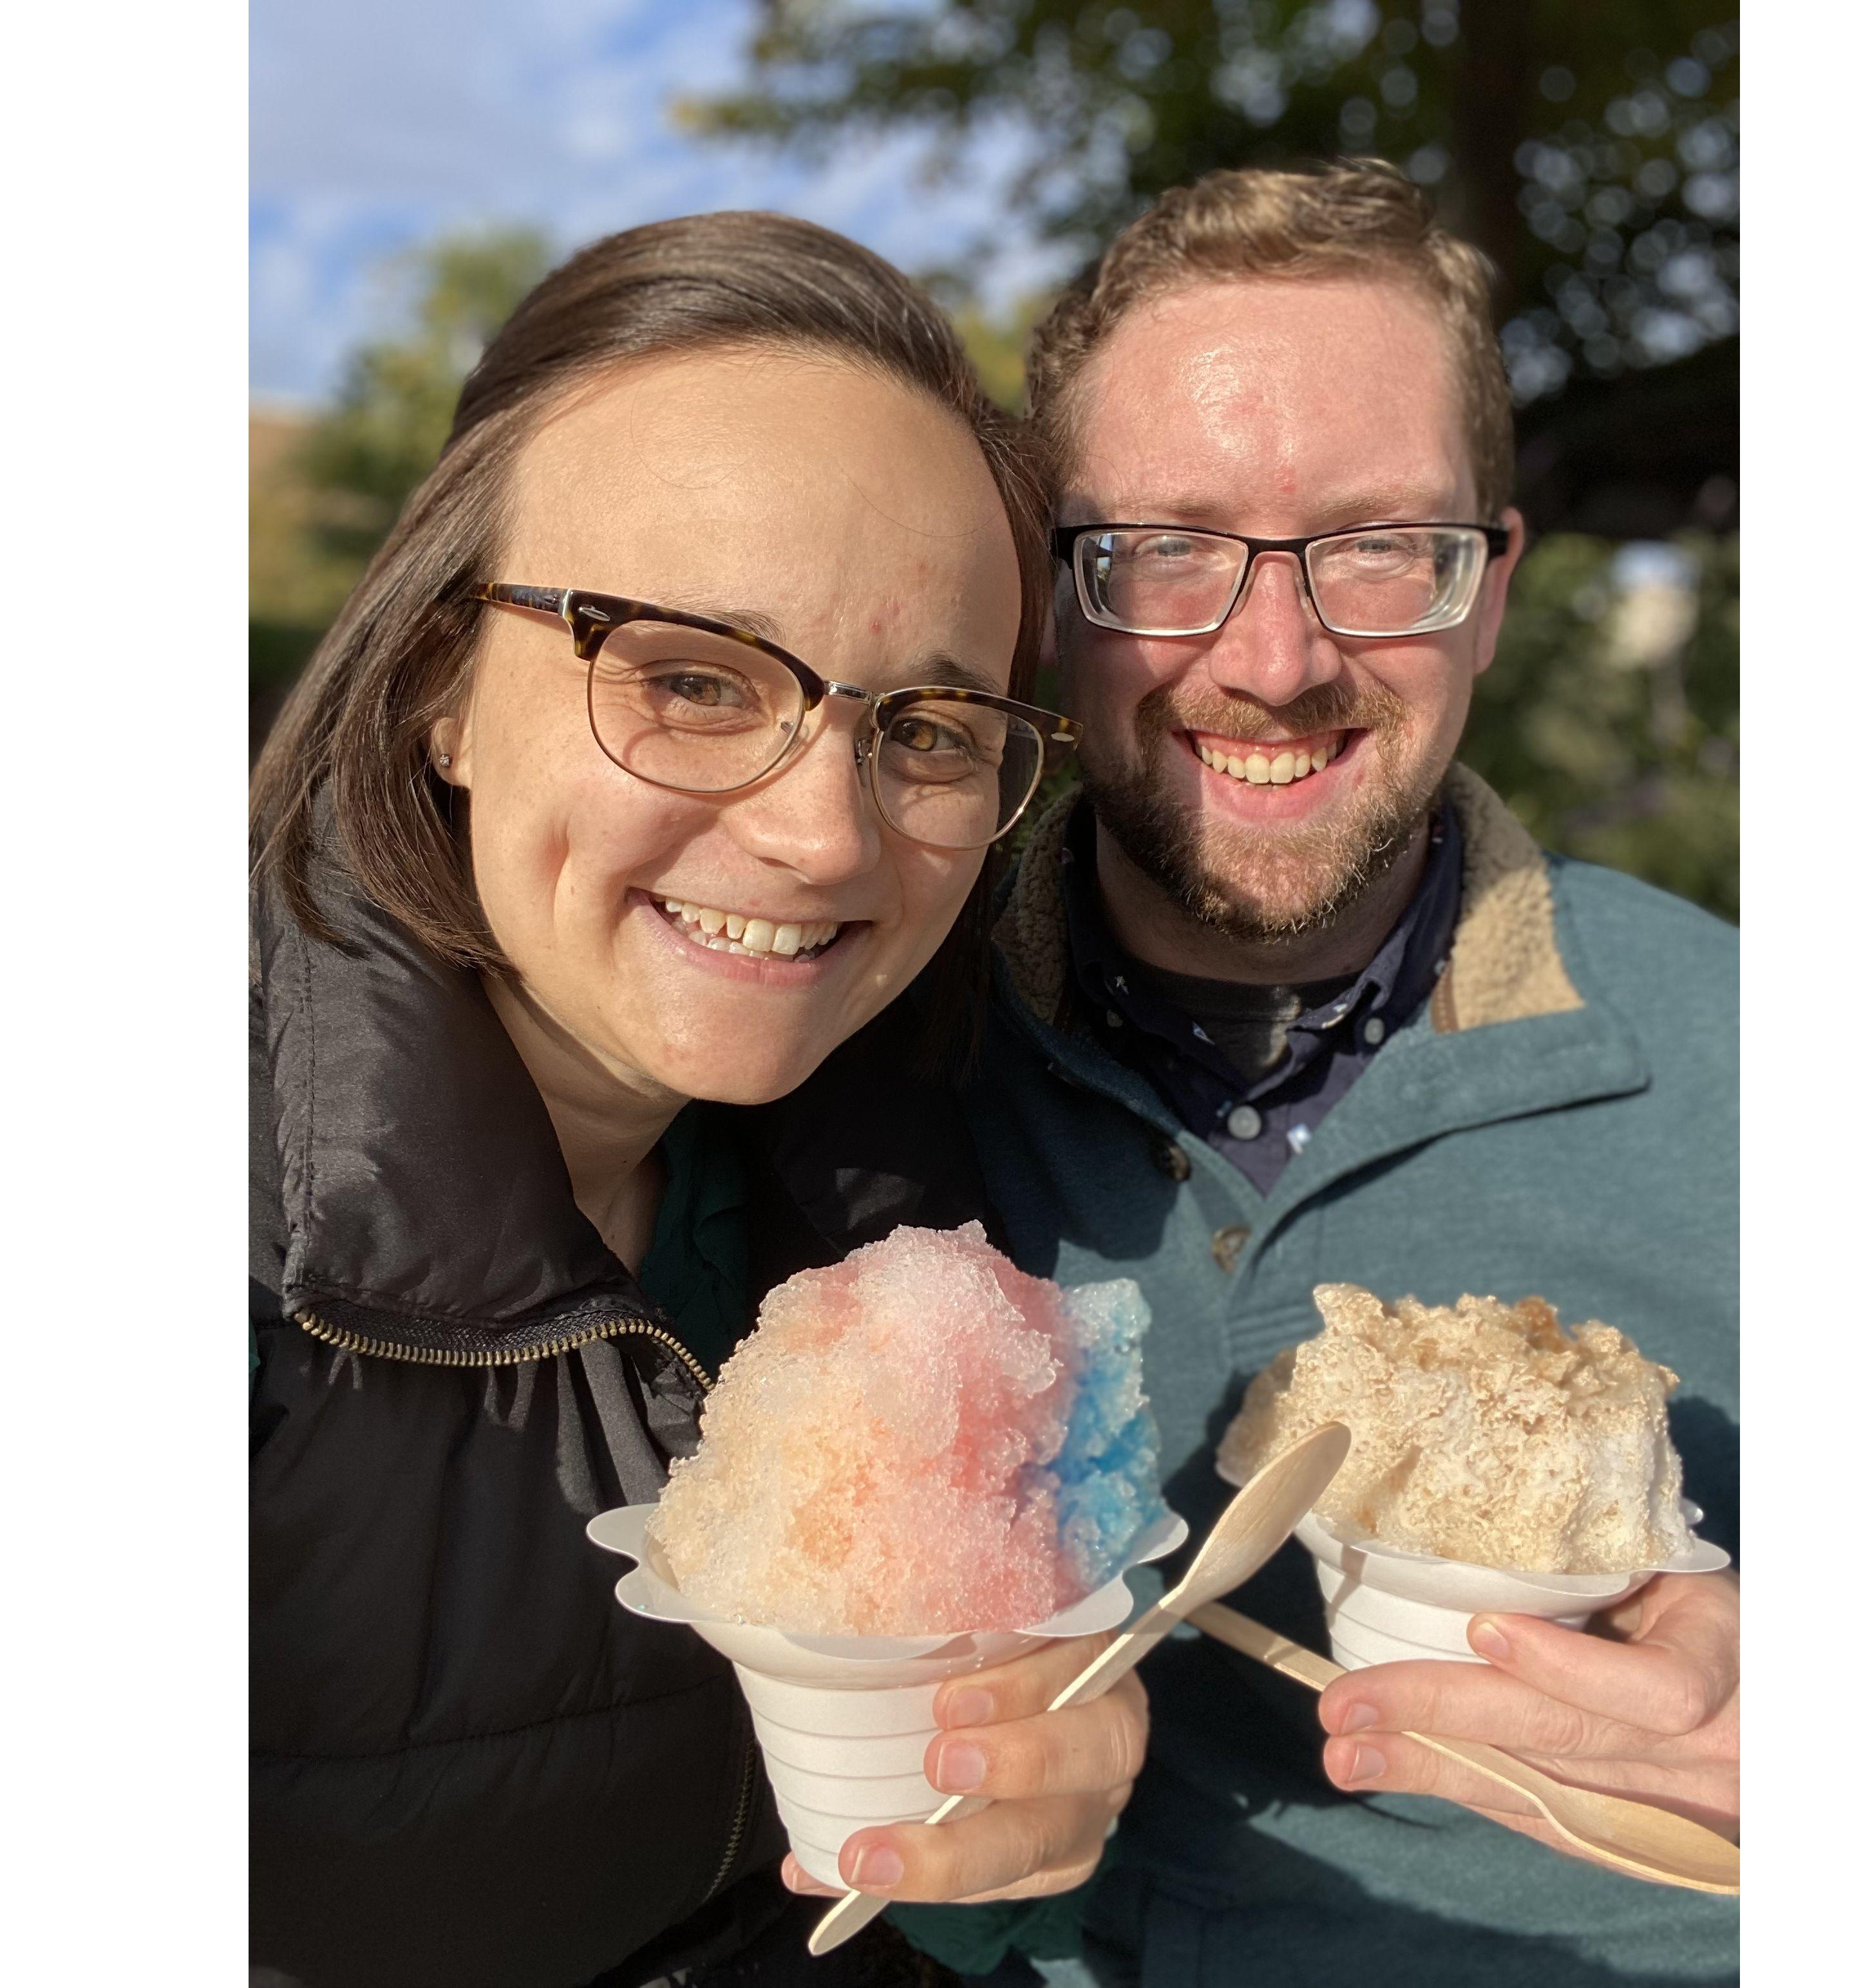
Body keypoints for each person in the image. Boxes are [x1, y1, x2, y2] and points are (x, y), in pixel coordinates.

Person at [773, 162, 1738, 1985]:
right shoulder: (840, 1038)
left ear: (1493, 591)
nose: (1276, 659)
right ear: (1053, 593)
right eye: (1168, 549)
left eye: (1380, 544)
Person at [249, 212, 1151, 1988]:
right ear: (441, 686)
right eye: (685, 676)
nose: (825, 835)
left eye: (932, 728)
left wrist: (1017, 1833)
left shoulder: (902, 1191)